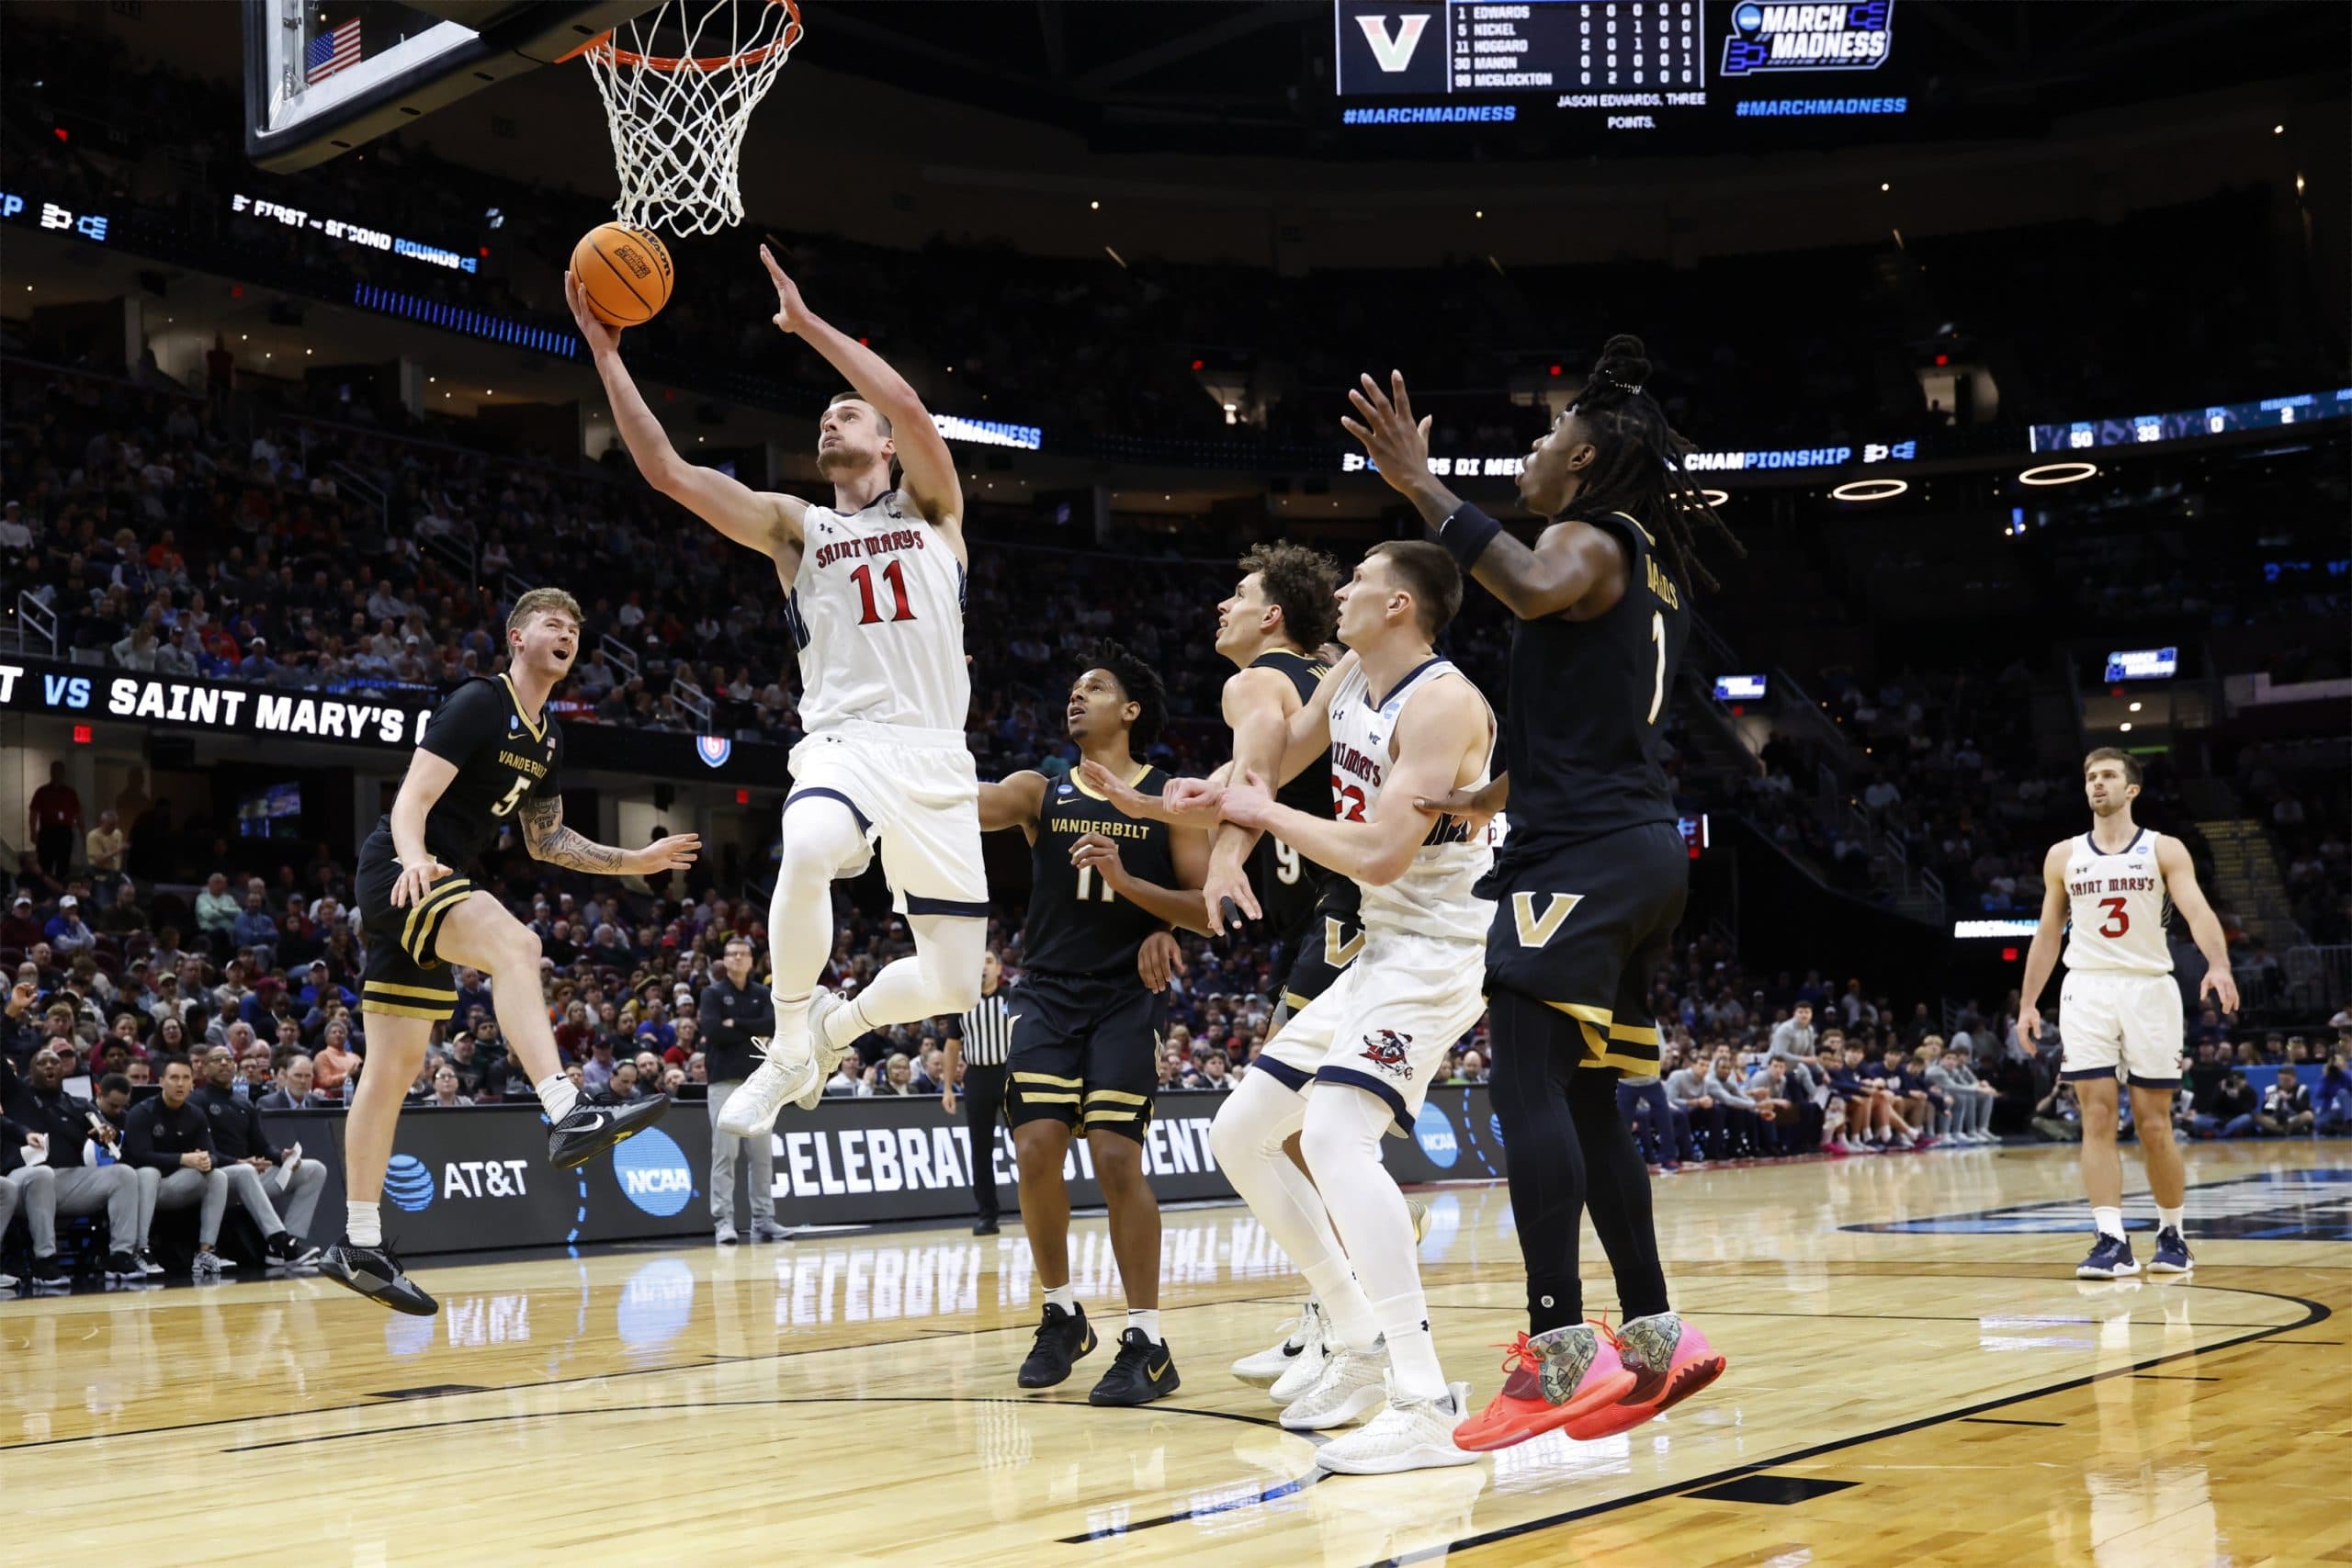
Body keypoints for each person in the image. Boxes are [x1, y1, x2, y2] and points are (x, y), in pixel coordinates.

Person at [1343, 341, 1734, 1449]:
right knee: (1590, 1094)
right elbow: (1595, 718)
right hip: (1638, 848)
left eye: (1550, 432)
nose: (1533, 443)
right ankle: (1655, 1337)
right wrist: (1488, 795)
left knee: (1524, 1082)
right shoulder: (1655, 568)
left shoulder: (1586, 538)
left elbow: (1524, 582)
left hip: (1578, 858)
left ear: (1591, 457)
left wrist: (1422, 487)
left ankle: (1558, 1352)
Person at [571, 251, 988, 1136]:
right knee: (805, 843)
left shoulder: (936, 511)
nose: (829, 420)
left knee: (954, 979)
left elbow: (910, 405)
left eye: (848, 413)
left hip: (938, 753)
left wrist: (807, 328)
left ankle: (835, 1028)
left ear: (884, 445)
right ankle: (792, 1035)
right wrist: (609, 356)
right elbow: (671, 473)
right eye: (825, 415)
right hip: (846, 742)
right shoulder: (800, 529)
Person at [1176, 540, 1497, 1474]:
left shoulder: (1442, 703)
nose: (1342, 591)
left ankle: (1425, 1399)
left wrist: (1258, 818)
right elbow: (1280, 757)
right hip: (1383, 948)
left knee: (1333, 1137)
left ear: (1400, 604)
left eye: (1358, 580)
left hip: (1440, 947)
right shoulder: (1354, 668)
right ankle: (1354, 1336)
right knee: (1240, 1130)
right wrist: (1227, 819)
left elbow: (1378, 855)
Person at [324, 588, 695, 1315]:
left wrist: (637, 860)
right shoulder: (477, 704)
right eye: (552, 623)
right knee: (517, 944)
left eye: (575, 626)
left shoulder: (548, 735)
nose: (567, 632)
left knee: (393, 1072)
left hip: (427, 879)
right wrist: (412, 860)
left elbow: (547, 839)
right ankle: (565, 1108)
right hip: (403, 872)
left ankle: (358, 1241)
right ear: (517, 638)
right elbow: (410, 802)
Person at [1082, 541, 1365, 1387]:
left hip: (1351, 914)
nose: (1222, 607)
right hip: (1351, 910)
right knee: (1305, 1128)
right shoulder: (1310, 680)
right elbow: (1237, 776)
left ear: (1272, 615)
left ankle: (1354, 1316)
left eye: (1238, 594)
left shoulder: (1252, 682)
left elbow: (1247, 779)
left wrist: (1230, 855)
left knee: (1284, 1126)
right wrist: (1140, 802)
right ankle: (1334, 1313)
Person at [978, 645, 1209, 1406]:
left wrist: (1138, 896)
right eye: (1073, 689)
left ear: (1131, 710)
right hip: (1044, 990)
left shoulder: (1167, 797)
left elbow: (1205, 906)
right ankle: (1063, 1311)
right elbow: (962, 801)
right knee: (1036, 1147)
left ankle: (1145, 1338)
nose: (1077, 698)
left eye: (1097, 688)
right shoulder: (1038, 788)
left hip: (1123, 995)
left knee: (1115, 1157)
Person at [2018, 749, 2236, 1280]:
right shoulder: (2062, 856)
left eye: (2108, 775)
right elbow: (2048, 933)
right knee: (2095, 1116)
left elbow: (2197, 910)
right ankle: (2110, 1240)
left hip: (2148, 988)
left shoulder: (2163, 849)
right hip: (2086, 988)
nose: (2097, 783)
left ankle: (2172, 1235)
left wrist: (2219, 964)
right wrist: (2027, 1003)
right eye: (2090, 775)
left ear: (2131, 789)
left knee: (2153, 1123)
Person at [126, 1055, 306, 1280]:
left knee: (218, 1175)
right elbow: (139, 1156)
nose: (180, 1084)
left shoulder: (195, 1114)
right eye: (174, 1078)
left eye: (185, 1078)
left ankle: (206, 1251)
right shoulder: (141, 1112)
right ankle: (140, 1249)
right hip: (147, 1187)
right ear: (161, 1081)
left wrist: (205, 1160)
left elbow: (211, 1153)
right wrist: (183, 1159)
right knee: (148, 1172)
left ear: (193, 1083)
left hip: (181, 1184)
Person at [0, 1043, 142, 1282]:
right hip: (23, 1180)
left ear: (63, 1070)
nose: (49, 1066)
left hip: (68, 1182)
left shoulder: (79, 1104)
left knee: (124, 1174)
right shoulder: (16, 1094)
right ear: (29, 1070)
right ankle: (45, 1260)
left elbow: (111, 1139)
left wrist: (111, 1135)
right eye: (42, 1062)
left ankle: (120, 1256)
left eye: (54, 1062)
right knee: (42, 1174)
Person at [191, 1043, 325, 1268]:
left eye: (228, 1059)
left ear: (235, 1068)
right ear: (205, 1069)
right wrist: (239, 1162)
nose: (224, 1063)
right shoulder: (197, 1101)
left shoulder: (243, 1103)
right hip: (217, 1176)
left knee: (314, 1169)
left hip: (249, 1176)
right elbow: (202, 1150)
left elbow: (261, 1146)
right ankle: (278, 1239)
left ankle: (286, 1245)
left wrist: (281, 1156)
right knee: (245, 1171)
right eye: (217, 1060)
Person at [698, 936, 787, 1246]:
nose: (738, 958)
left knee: (761, 1156)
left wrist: (735, 1022)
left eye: (743, 954)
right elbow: (712, 1032)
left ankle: (764, 1220)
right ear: (724, 960)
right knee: (725, 1154)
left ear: (752, 960)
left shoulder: (763, 993)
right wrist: (751, 1027)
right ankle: (724, 1222)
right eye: (732, 954)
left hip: (760, 1086)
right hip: (724, 1083)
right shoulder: (712, 993)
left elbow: (774, 1024)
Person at [944, 950, 1017, 1236]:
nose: (983, 967)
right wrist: (948, 1087)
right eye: (979, 962)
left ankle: (1036, 1205)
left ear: (1000, 968)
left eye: (988, 961)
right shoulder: (962, 1002)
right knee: (981, 1150)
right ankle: (987, 1216)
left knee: (1026, 1146)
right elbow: (952, 1045)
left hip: (1011, 1076)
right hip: (977, 1077)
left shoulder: (1012, 996)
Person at [29, 761, 82, 882]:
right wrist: (33, 832)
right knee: (44, 864)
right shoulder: (41, 791)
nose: (56, 774)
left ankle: (61, 893)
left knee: (63, 866)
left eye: (59, 771)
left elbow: (78, 814)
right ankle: (44, 891)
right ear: (50, 772)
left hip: (64, 832)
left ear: (63, 773)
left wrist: (82, 832)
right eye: (53, 771)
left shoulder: (70, 793)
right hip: (47, 831)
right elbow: (34, 813)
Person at [2258, 1068, 2314, 1136]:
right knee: (2257, 1117)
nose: (2283, 1082)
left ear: (2294, 1079)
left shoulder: (2302, 1089)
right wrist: (2266, 1103)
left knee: (2308, 1115)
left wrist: (2288, 1099)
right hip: (2277, 1121)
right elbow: (2266, 1113)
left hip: (2294, 1119)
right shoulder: (2273, 1090)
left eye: (2286, 1080)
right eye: (2280, 1080)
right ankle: (2283, 1130)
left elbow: (2303, 1109)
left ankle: (2283, 1130)